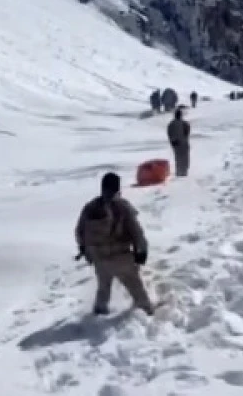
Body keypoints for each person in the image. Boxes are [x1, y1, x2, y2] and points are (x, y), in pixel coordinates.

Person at [75, 173, 155, 315]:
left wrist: (86, 250)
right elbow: (136, 231)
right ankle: (146, 311)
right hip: (121, 256)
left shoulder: (90, 207)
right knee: (135, 286)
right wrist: (141, 251)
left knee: (103, 288)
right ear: (117, 187)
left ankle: (98, 315)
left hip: (99, 258)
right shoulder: (122, 206)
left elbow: (79, 231)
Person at [166, 108, 191, 177]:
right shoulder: (184, 123)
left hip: (177, 143)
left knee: (179, 158)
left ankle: (181, 172)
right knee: (183, 158)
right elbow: (187, 133)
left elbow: (169, 134)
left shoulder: (171, 124)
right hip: (181, 143)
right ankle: (182, 172)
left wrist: (172, 142)